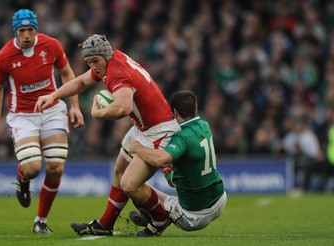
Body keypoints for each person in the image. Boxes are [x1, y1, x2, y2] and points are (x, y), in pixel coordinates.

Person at [34, 34, 180, 237]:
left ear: (104, 55)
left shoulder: (116, 72)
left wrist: (97, 113)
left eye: (94, 61)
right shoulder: (111, 60)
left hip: (159, 130)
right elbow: (81, 82)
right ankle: (105, 224)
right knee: (119, 173)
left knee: (130, 184)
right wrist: (52, 95)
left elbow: (124, 107)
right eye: (88, 62)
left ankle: (160, 218)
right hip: (144, 127)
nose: (92, 66)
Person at [0, 9, 84, 234]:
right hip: (23, 115)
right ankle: (22, 177)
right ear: (15, 32)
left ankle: (41, 220)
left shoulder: (51, 45)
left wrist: (75, 106)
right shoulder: (4, 56)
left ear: (36, 29)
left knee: (56, 166)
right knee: (32, 168)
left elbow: (68, 74)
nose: (27, 35)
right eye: (22, 31)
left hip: (51, 109)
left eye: (30, 30)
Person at [128, 90, 227, 232]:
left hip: (193, 215)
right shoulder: (204, 125)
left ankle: (156, 220)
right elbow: (174, 180)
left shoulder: (182, 137)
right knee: (182, 176)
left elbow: (162, 159)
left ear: (174, 111)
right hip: (220, 200)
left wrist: (138, 148)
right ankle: (151, 216)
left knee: (135, 188)